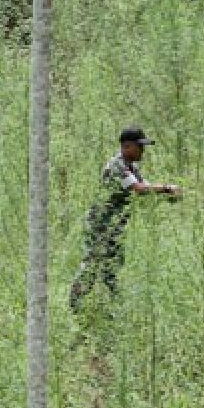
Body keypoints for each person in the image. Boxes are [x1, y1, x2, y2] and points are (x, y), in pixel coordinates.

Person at [69, 127, 182, 311]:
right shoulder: (117, 166)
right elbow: (139, 189)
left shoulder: (131, 167)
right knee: (92, 265)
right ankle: (75, 305)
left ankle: (112, 307)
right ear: (127, 146)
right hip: (101, 226)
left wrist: (167, 197)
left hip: (114, 227)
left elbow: (145, 191)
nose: (142, 151)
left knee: (112, 267)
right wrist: (167, 188)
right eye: (139, 146)